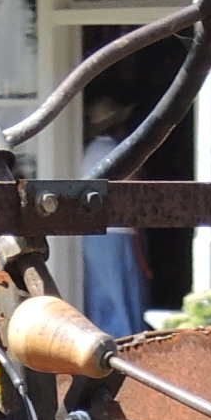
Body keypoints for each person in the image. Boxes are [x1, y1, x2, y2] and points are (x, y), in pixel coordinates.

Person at [74, 95, 150, 340]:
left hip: (99, 232)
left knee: (104, 295)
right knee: (118, 295)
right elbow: (134, 186)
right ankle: (124, 344)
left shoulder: (91, 150)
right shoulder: (112, 150)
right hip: (114, 233)